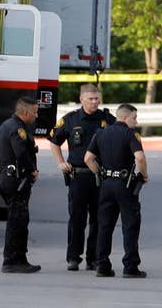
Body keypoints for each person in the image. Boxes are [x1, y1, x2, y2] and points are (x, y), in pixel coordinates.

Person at [49, 83, 115, 271]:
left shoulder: (106, 119)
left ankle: (93, 258)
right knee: (77, 219)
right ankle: (73, 257)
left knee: (98, 219)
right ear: (82, 99)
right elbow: (54, 141)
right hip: (78, 176)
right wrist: (61, 162)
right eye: (91, 99)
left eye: (97, 99)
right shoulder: (70, 120)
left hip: (100, 177)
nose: (95, 102)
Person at [84, 104, 148, 278]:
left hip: (106, 184)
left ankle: (102, 266)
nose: (136, 121)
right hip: (125, 184)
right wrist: (144, 174)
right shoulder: (130, 134)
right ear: (125, 118)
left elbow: (88, 158)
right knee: (130, 226)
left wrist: (100, 173)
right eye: (134, 117)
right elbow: (140, 157)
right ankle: (130, 266)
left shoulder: (101, 133)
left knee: (104, 226)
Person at [0, 96, 41, 273]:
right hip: (17, 180)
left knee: (17, 219)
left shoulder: (6, 125)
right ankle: (12, 261)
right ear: (25, 112)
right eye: (35, 112)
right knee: (18, 220)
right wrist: (32, 170)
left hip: (9, 178)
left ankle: (19, 258)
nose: (36, 116)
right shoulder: (18, 129)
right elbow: (21, 152)